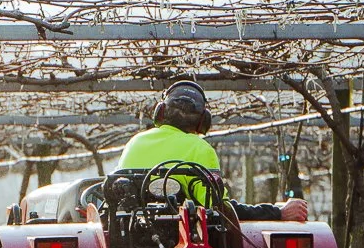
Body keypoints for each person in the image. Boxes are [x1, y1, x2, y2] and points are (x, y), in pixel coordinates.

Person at [117, 80, 309, 222]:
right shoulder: (200, 149)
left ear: (160, 112)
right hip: (179, 245)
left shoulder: (134, 142)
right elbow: (220, 210)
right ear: (203, 122)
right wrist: (277, 212)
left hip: (132, 244)